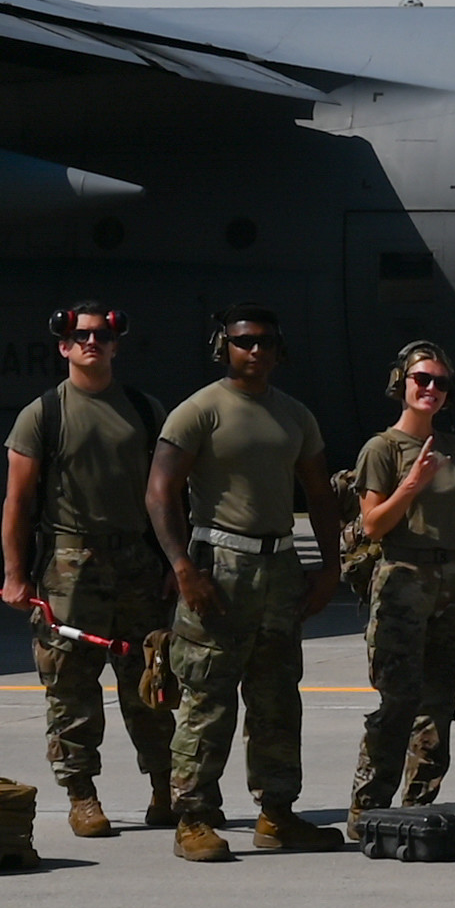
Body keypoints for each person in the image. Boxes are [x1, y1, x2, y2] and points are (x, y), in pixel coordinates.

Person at [144, 306, 347, 861]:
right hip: (219, 564)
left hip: (279, 565)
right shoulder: (199, 411)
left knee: (277, 698)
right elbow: (160, 491)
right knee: (207, 696)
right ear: (224, 347)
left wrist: (331, 567)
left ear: (280, 351)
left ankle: (278, 815)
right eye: (242, 341)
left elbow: (320, 496)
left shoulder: (296, 416)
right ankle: (193, 817)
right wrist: (183, 566)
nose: (254, 351)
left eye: (265, 342)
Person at [0, 301, 174, 838]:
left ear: (116, 343)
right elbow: (18, 501)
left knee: (152, 682)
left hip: (138, 565)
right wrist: (14, 574)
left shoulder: (146, 411)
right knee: (71, 688)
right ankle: (82, 796)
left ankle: (166, 789)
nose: (90, 343)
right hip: (69, 568)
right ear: (63, 345)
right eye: (79, 336)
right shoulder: (43, 414)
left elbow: (169, 495)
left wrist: (176, 561)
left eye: (100, 335)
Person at [347, 341, 455, 832]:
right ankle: (368, 809)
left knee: (440, 703)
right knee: (398, 701)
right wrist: (411, 483)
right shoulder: (382, 449)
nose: (430, 389)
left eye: (440, 383)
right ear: (401, 385)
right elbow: (372, 525)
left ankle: (418, 806)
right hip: (404, 579)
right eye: (421, 380)